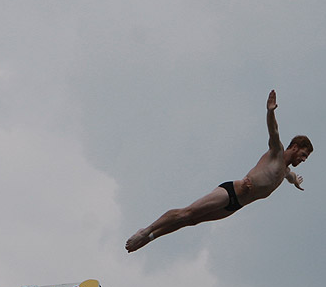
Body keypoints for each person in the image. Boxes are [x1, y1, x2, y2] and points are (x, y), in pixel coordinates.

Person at [125, 90, 313, 252]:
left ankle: (150, 238)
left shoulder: (286, 170)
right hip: (231, 191)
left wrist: (296, 181)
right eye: (303, 155)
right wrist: (270, 111)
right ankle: (145, 230)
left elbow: (290, 176)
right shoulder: (277, 152)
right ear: (295, 147)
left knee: (191, 221)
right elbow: (274, 131)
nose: (303, 160)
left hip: (235, 206)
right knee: (187, 213)